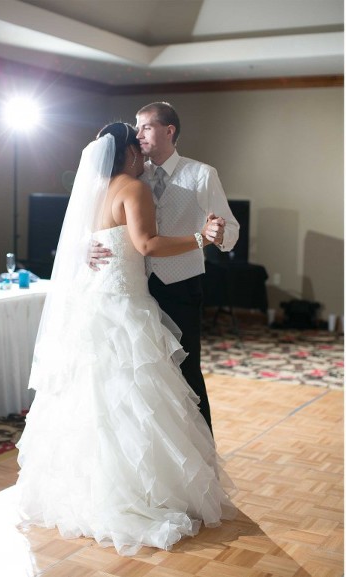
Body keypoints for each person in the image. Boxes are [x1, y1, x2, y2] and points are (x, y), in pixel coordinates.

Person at [16, 123, 237, 556]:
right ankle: (138, 493)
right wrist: (198, 239)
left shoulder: (94, 190)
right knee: (135, 399)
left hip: (93, 306)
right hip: (125, 306)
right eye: (139, 143)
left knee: (92, 398)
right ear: (131, 152)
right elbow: (147, 244)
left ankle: (87, 489)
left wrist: (85, 246)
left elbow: (87, 237)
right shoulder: (132, 188)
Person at [92, 101, 239, 431]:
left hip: (180, 289)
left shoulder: (201, 174)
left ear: (168, 130)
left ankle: (203, 460)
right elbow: (104, 227)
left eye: (145, 126)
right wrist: (86, 247)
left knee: (186, 377)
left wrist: (218, 234)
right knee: (140, 378)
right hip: (133, 291)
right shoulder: (127, 176)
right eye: (136, 127)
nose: (138, 133)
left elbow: (231, 229)